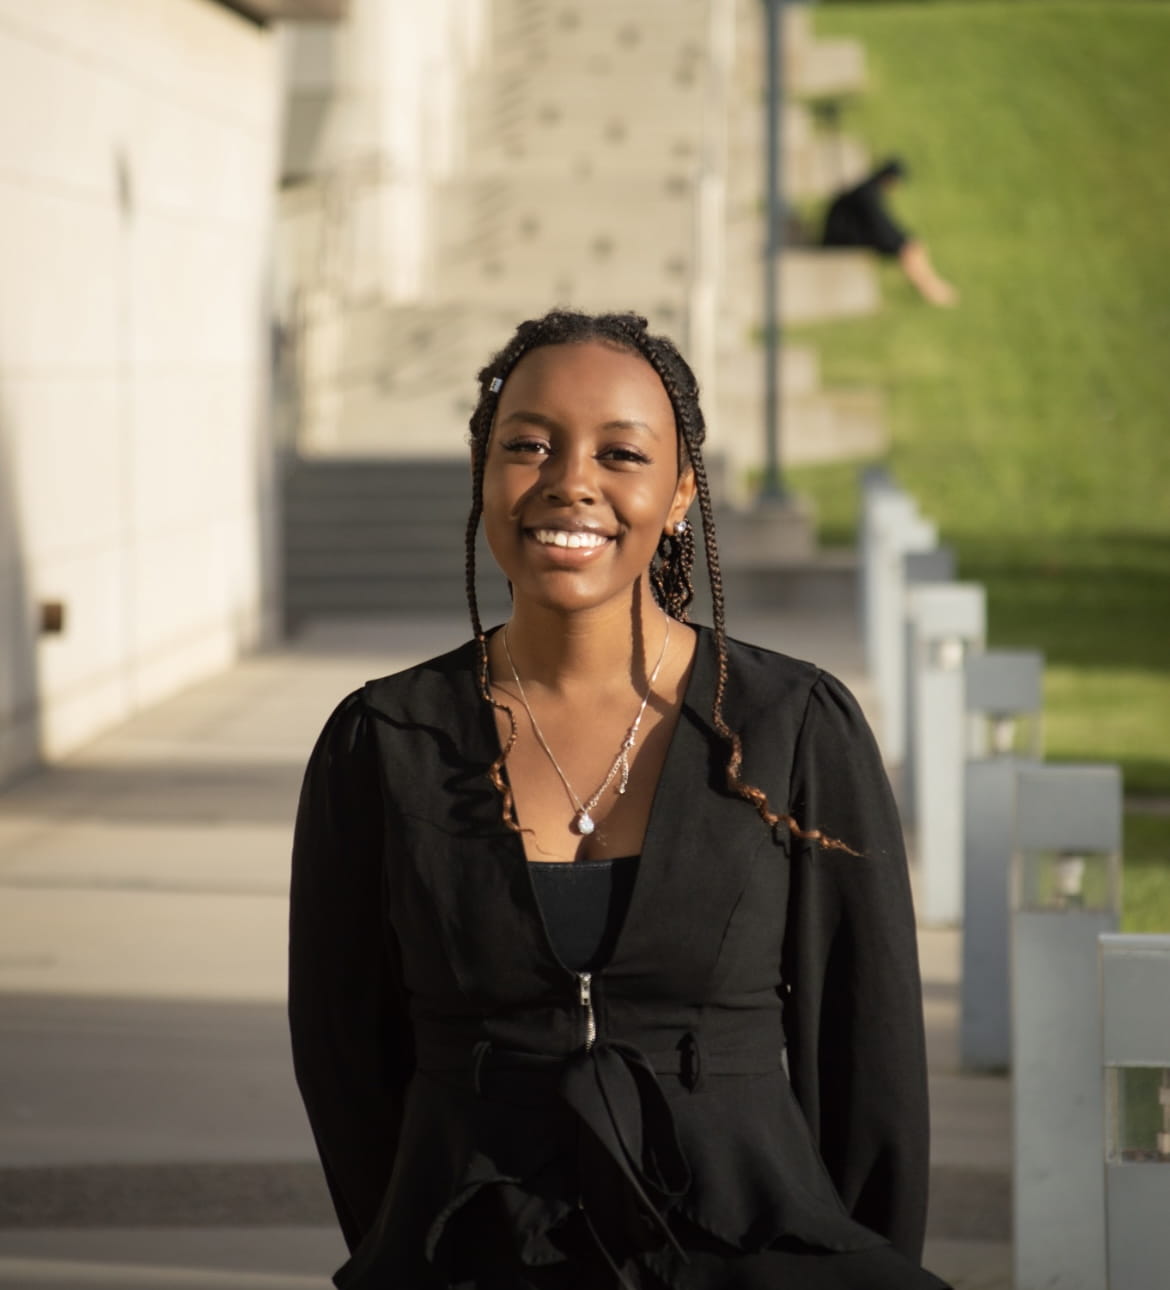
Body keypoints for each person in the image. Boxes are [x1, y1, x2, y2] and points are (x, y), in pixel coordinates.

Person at [288, 309, 949, 1290]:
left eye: (621, 452)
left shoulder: (794, 726)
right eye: (528, 445)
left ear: (679, 492)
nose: (571, 481)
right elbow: (345, 1063)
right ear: (482, 471)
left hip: (752, 1259)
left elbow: (869, 1058)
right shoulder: (381, 742)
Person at [822, 160, 958, 307]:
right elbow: (881, 225)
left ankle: (930, 284)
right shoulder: (867, 194)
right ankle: (929, 287)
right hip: (839, 240)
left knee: (910, 247)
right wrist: (902, 243)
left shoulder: (868, 191)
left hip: (847, 237)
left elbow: (882, 225)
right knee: (908, 249)